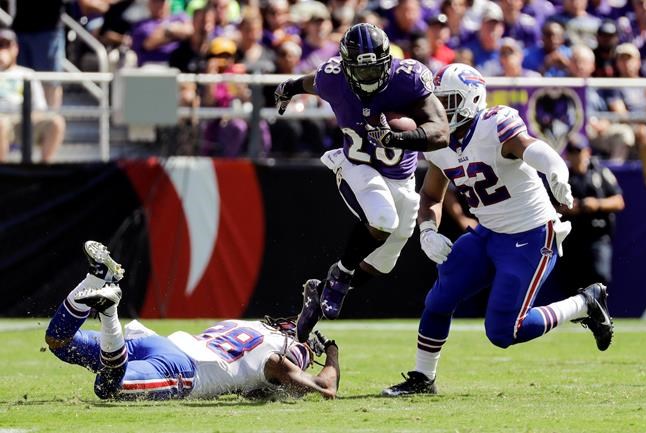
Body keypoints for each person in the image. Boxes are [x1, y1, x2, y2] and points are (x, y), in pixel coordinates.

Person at [382, 64, 614, 396]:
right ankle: (423, 377)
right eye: (437, 101)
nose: (439, 110)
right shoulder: (439, 142)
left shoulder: (494, 123)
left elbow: (529, 146)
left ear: (471, 99)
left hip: (531, 234)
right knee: (438, 298)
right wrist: (428, 230)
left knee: (504, 331)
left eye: (448, 101)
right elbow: (431, 194)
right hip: (488, 232)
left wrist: (555, 168)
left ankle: (585, 303)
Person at [273, 22, 449, 342]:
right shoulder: (334, 77)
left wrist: (399, 137)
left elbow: (441, 132)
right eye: (361, 72)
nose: (368, 79)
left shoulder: (408, 78)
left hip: (402, 180)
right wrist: (290, 86)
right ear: (346, 66)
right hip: (357, 166)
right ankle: (339, 273)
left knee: (381, 263)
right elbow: (313, 82)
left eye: (374, 71)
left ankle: (320, 293)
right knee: (382, 220)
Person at [44, 241, 340, 400]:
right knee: (107, 387)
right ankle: (109, 313)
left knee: (59, 342)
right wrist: (332, 353)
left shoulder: (247, 326)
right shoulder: (276, 360)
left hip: (156, 342)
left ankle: (93, 278)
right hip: (181, 368)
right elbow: (326, 389)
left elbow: (253, 388)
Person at [558, 134, 625, 293]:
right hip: (570, 238)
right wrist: (567, 208)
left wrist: (597, 204)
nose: (576, 156)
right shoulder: (562, 177)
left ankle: (597, 315)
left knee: (599, 277)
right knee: (571, 283)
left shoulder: (600, 173)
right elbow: (549, 205)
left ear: (587, 152)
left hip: (597, 235)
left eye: (579, 151)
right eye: (572, 152)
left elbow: (619, 201)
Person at [0, 29, 65, 163]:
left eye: (7, 45)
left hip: (24, 118)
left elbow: (40, 107)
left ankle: (43, 168)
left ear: (15, 48)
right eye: (0, 46)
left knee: (56, 122)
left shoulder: (27, 74)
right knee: (1, 124)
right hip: (2, 120)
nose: (3, 50)